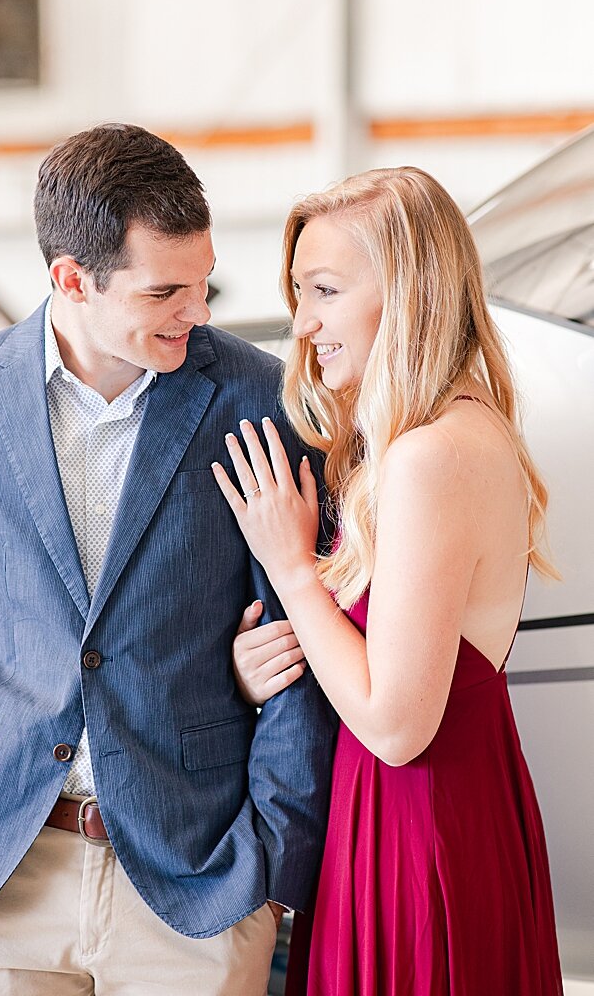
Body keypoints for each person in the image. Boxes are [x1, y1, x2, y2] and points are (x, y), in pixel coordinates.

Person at [0, 122, 337, 994]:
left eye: (202, 285)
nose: (195, 313)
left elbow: (297, 651)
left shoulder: (259, 398)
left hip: (193, 881)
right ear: (72, 280)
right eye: (166, 291)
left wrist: (270, 869)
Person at [218, 166, 563, 994]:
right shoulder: (450, 433)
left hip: (420, 832)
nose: (303, 324)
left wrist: (293, 567)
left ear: (410, 294)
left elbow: (396, 726)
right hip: (432, 817)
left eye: (326, 290)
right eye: (300, 292)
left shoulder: (428, 456)